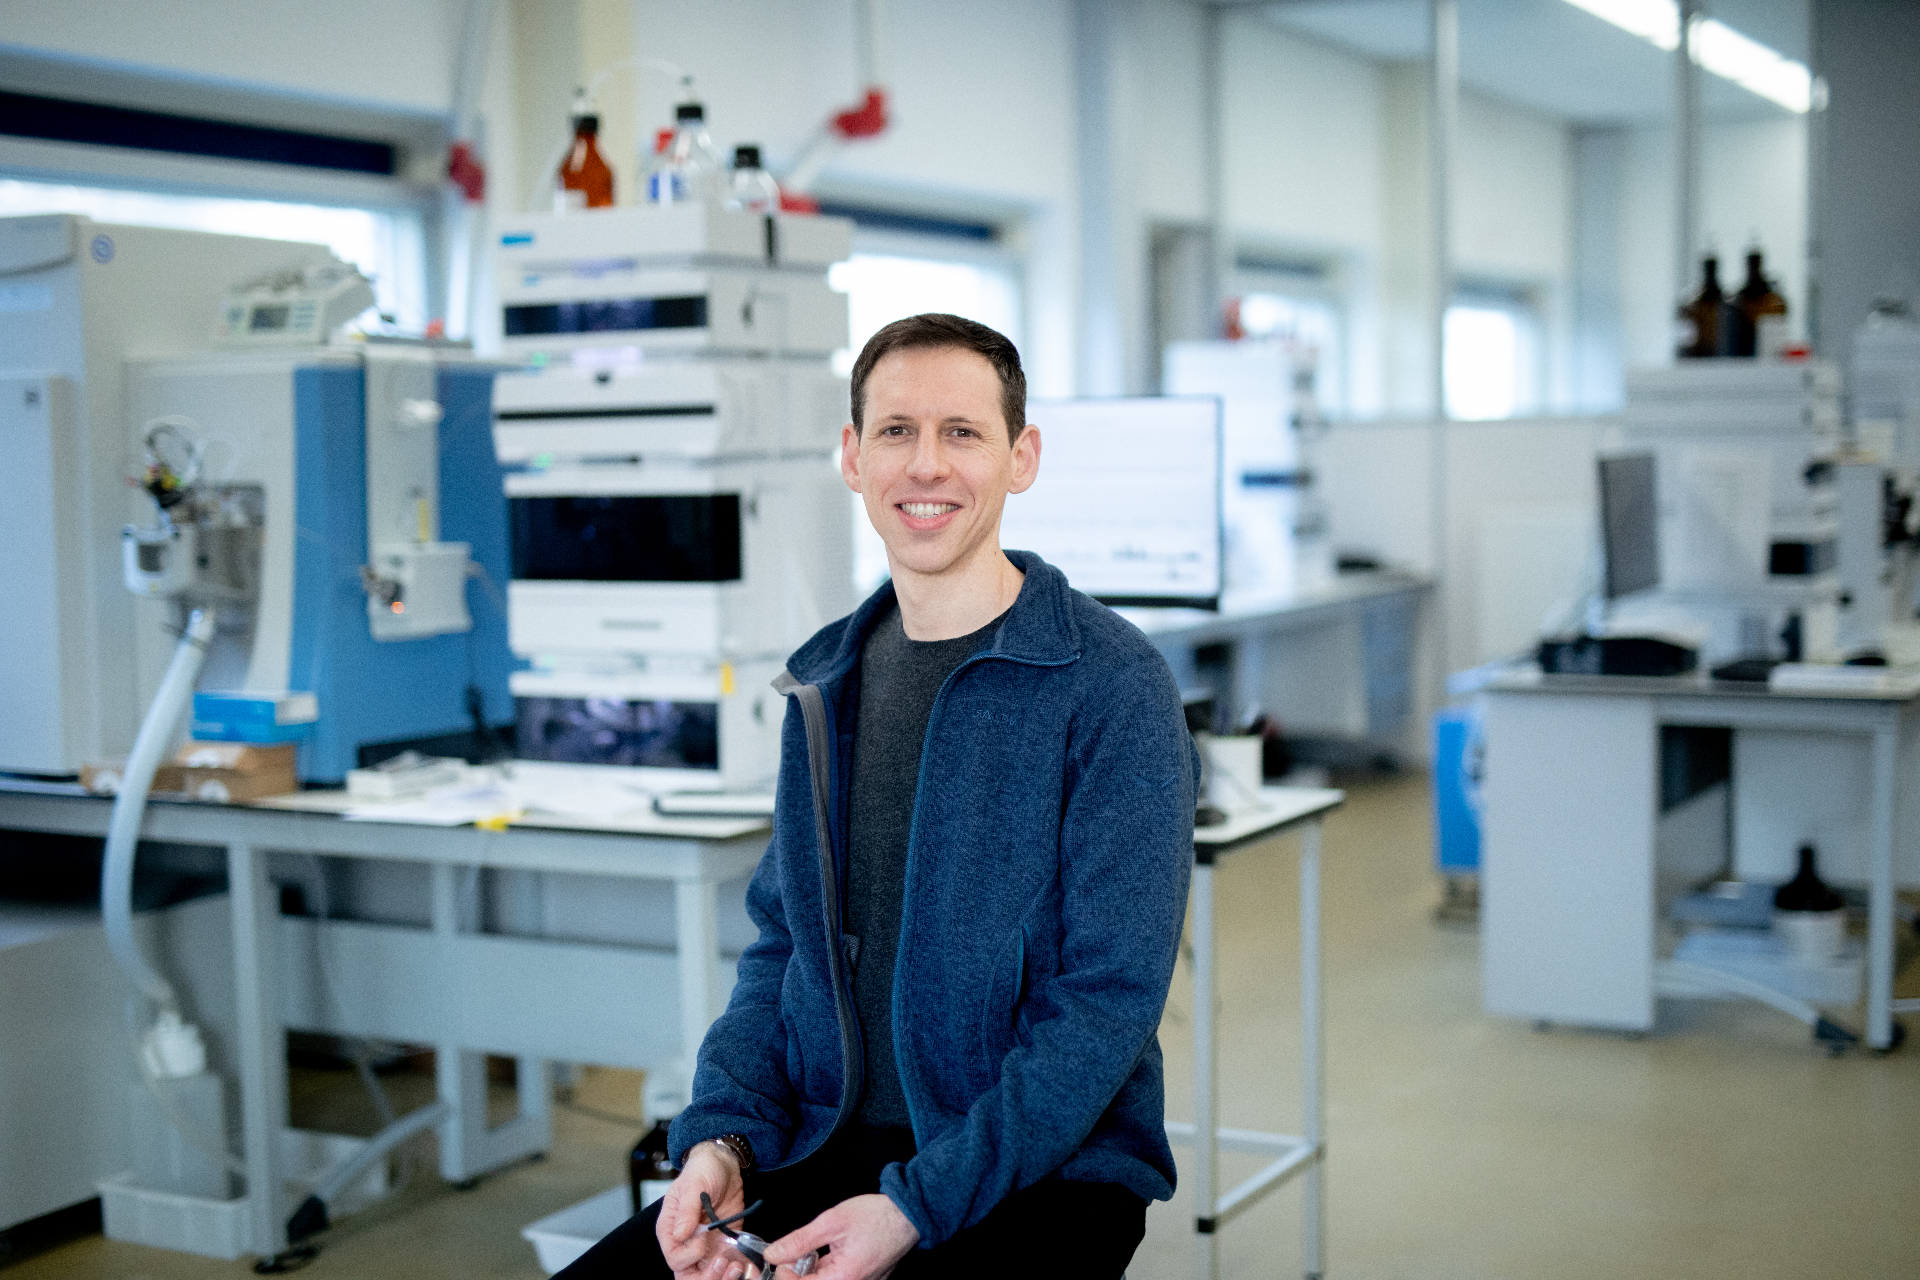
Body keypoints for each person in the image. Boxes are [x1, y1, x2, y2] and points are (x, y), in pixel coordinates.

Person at [559, 314, 1197, 1280]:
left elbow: (1104, 1005)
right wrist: (722, 1138)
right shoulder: (827, 682)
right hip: (824, 1146)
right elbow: (782, 953)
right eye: (896, 431)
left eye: (964, 433)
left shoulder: (1110, 684)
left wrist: (913, 1209)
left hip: (1045, 1174)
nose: (927, 465)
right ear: (853, 458)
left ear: (1021, 459)